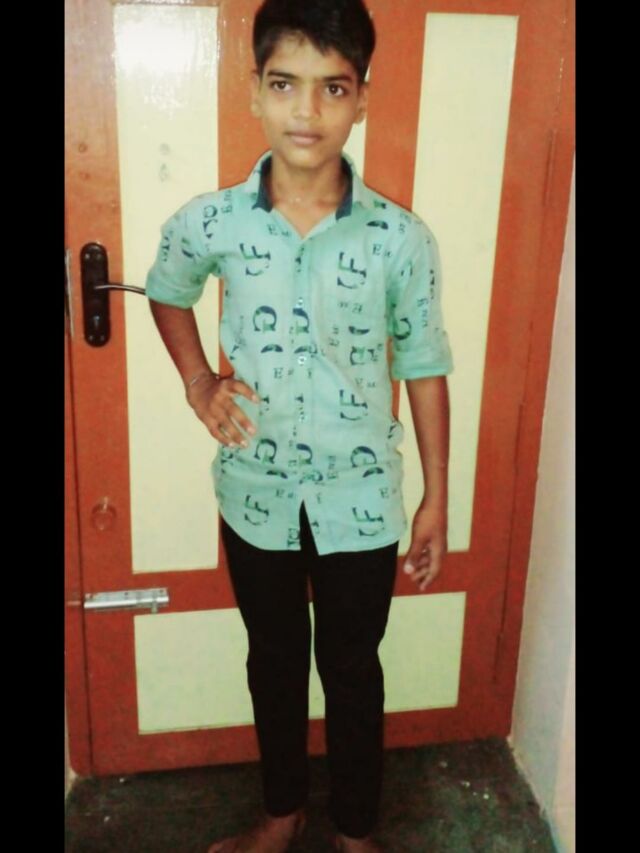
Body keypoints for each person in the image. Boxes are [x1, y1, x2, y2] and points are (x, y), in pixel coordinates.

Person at [145, 1, 454, 850]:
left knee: (353, 669)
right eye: (285, 85)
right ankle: (281, 812)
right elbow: (167, 290)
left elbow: (424, 364)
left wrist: (435, 496)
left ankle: (356, 829)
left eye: (333, 87)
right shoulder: (215, 221)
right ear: (255, 91)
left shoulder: (401, 238)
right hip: (257, 490)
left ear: (362, 98)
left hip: (362, 497)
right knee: (273, 659)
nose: (307, 111)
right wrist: (199, 382)